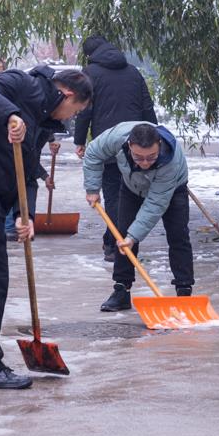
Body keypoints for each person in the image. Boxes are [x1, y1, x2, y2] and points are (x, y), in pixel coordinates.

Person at [0, 66, 92, 389]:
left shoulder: (42, 119)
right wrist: (10, 114)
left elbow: (26, 170)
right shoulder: (25, 85)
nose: (70, 117)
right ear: (66, 95)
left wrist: (26, 215)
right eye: (75, 110)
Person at [83, 122, 195, 312]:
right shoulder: (117, 138)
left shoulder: (171, 162)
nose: (144, 163)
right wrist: (93, 188)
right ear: (129, 146)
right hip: (132, 186)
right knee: (122, 235)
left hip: (172, 189)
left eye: (151, 157)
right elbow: (93, 152)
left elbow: (154, 205)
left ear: (159, 144)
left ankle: (184, 291)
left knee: (178, 236)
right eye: (138, 157)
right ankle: (121, 290)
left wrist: (134, 237)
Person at [74, 35, 158, 263]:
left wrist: (79, 140)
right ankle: (116, 239)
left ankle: (113, 245)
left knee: (114, 197)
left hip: (109, 144)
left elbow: (85, 110)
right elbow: (147, 107)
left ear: (89, 55)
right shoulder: (133, 72)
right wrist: (156, 137)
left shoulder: (90, 73)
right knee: (130, 194)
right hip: (137, 144)